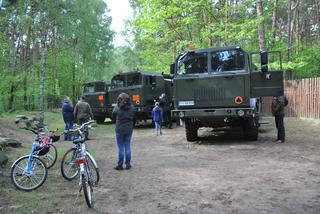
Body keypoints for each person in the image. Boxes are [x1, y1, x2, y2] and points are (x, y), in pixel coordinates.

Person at [112, 93, 135, 170]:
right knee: (127, 147)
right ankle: (128, 164)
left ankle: (120, 165)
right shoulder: (132, 107)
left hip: (119, 129)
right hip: (129, 129)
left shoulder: (117, 107)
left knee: (121, 147)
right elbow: (134, 115)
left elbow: (113, 115)